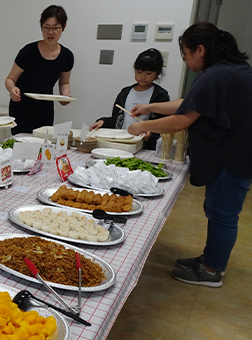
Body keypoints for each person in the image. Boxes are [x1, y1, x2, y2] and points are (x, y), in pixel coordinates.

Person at [128, 22, 252, 288]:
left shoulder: (215, 76)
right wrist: (149, 106)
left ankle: (211, 271)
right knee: (218, 209)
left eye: (186, 54)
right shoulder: (228, 70)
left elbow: (181, 119)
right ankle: (211, 259)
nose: (185, 60)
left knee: (222, 213)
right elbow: (191, 101)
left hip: (233, 156)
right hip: (236, 152)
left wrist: (143, 125)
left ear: (200, 49)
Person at [5, 5, 74, 134]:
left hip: (45, 110)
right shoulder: (28, 52)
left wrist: (65, 97)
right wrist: (12, 89)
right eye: (46, 27)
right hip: (22, 108)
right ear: (41, 27)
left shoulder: (67, 56)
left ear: (63, 27)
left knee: (43, 147)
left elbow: (64, 83)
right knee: (22, 146)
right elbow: (10, 79)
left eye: (55, 28)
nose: (50, 32)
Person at [90, 48, 170, 150]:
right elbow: (116, 120)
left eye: (148, 73)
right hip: (121, 143)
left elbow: (165, 124)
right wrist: (103, 122)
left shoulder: (160, 95)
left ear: (158, 73)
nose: (143, 76)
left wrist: (151, 133)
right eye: (139, 72)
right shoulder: (125, 93)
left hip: (146, 147)